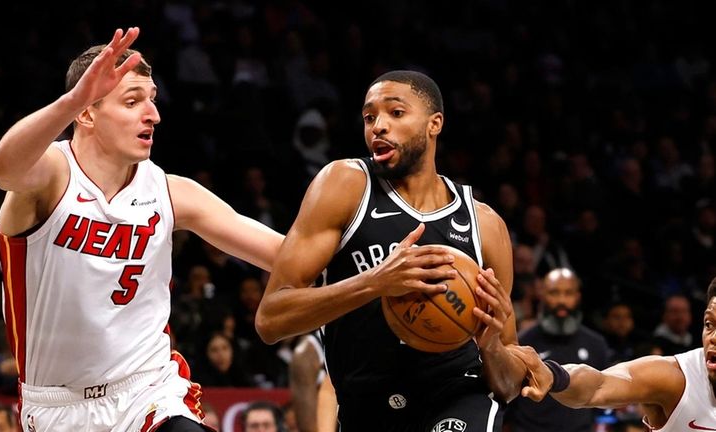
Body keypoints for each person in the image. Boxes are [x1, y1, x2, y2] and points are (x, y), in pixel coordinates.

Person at [0, 27, 283, 432]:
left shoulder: (168, 190)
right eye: (132, 101)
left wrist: (378, 267)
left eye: (152, 100)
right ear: (87, 113)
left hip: (147, 391)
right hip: (56, 405)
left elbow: (282, 253)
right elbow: (3, 169)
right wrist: (73, 98)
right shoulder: (51, 175)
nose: (153, 114)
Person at [255, 70, 526, 431]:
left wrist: (491, 346)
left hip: (457, 394)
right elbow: (270, 320)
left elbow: (508, 386)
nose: (378, 126)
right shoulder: (344, 185)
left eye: (396, 113)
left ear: (435, 124)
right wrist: (376, 282)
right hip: (364, 407)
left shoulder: (485, 226)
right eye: (369, 117)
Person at [510, 276, 716, 431]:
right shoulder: (676, 379)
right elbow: (599, 385)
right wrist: (555, 376)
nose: (712, 338)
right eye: (709, 324)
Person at [504, 268, 609, 432]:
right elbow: (508, 401)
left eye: (568, 293)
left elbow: (604, 398)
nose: (562, 300)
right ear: (542, 295)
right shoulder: (522, 342)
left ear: (578, 296)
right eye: (554, 293)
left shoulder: (596, 344)